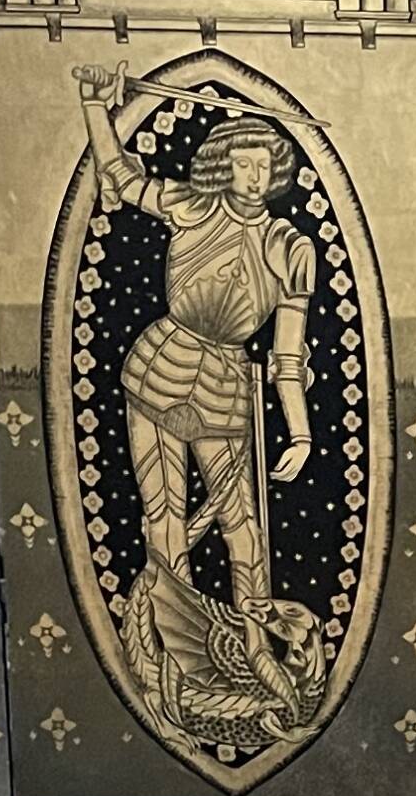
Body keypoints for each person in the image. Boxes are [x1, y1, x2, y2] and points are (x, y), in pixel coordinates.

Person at [73, 67, 319, 701]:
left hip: (227, 385)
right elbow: (122, 179)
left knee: (241, 523)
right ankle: (166, 656)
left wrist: (300, 430)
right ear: (223, 167)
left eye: (265, 163)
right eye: (243, 162)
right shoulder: (192, 206)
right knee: (163, 518)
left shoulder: (292, 248)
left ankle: (259, 649)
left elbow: (288, 355)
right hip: (158, 369)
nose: (255, 175)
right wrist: (95, 106)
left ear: (276, 170)